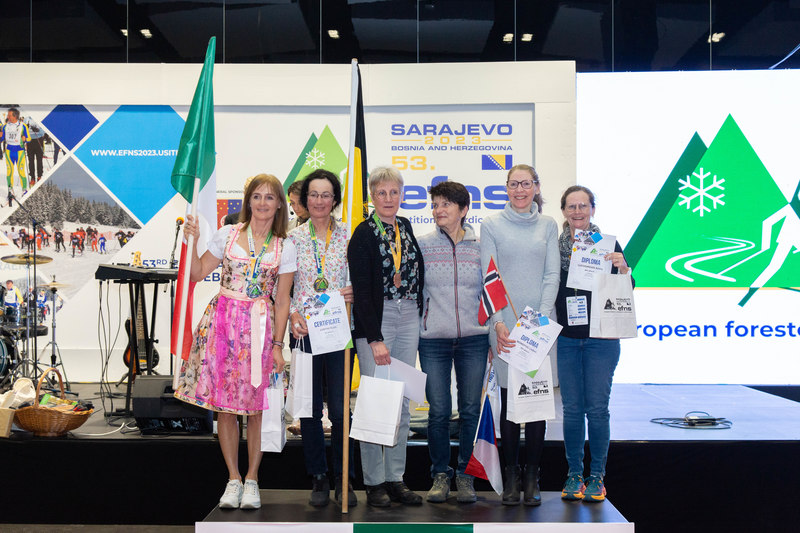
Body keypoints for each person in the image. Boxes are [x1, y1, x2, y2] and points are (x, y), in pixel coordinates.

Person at [173, 173, 294, 511]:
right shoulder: (227, 234)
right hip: (223, 326)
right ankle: (233, 478)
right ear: (248, 200)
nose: (262, 203)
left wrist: (278, 345)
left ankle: (253, 478)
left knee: (256, 408)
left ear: (279, 204)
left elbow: (283, 300)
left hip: (260, 329)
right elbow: (197, 272)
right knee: (224, 408)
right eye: (257, 196)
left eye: (269, 197)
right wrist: (192, 240)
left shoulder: (286, 246)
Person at [480, 164, 559, 506]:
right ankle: (511, 475)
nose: (520, 190)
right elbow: (488, 276)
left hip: (538, 327)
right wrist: (498, 322)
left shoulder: (549, 225)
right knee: (510, 400)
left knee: (536, 400)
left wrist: (539, 319)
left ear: (536, 187)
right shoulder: (491, 225)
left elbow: (551, 275)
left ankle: (532, 476)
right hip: (504, 328)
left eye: (526, 184)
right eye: (514, 184)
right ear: (506, 188)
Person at [348, 165, 425, 507]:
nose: (389, 198)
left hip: (408, 316)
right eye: (382, 192)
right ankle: (374, 481)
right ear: (372, 196)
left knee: (402, 400)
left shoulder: (405, 226)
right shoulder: (363, 233)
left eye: (394, 192)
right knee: (375, 400)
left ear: (402, 195)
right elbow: (362, 291)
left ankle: (396, 477)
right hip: (377, 323)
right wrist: (374, 338)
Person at [555, 185, 632, 503]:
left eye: (583, 206)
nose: (577, 212)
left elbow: (627, 288)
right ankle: (574, 474)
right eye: (571, 206)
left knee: (598, 409)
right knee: (572, 410)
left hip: (602, 339)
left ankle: (597, 477)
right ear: (563, 211)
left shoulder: (607, 245)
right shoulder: (554, 247)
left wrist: (623, 267)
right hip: (567, 340)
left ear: (593, 209)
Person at [285, 169, 357, 508]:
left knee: (341, 410)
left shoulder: (349, 236)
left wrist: (354, 289)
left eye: (326, 194)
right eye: (313, 194)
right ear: (304, 199)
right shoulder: (292, 239)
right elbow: (282, 289)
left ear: (335, 199)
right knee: (310, 408)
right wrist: (291, 315)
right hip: (304, 332)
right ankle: (318, 476)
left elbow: (360, 279)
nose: (319, 201)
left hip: (338, 331)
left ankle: (344, 477)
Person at [417, 181, 489, 504]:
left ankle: (466, 475)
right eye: (435, 205)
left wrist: (493, 331)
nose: (438, 210)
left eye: (445, 204)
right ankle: (440, 475)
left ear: (464, 209)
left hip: (475, 339)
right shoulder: (422, 245)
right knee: (439, 410)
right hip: (433, 340)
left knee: (471, 409)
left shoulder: (482, 246)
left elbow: (492, 291)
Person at [2, 108, 30, 195]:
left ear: (15, 116)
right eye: (8, 115)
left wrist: (25, 139)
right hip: (9, 152)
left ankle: (24, 189)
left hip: (19, 152)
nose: (8, 117)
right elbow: (1, 139)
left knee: (21, 171)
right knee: (9, 172)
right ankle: (10, 190)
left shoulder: (23, 126)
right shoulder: (5, 126)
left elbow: (29, 138)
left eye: (9, 115)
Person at [24, 116, 45, 185]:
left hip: (38, 140)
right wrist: (25, 129)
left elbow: (43, 132)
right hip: (30, 142)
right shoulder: (26, 119)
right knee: (31, 160)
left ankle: (39, 176)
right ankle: (32, 177)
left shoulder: (40, 117)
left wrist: (38, 130)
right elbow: (22, 131)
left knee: (39, 160)